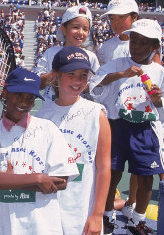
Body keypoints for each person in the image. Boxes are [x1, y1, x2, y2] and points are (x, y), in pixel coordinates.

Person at [89, 19, 164, 235]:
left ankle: (137, 221)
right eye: (133, 41)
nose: (136, 47)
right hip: (116, 126)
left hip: (145, 130)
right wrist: (121, 74)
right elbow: (95, 86)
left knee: (145, 177)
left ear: (154, 47)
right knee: (112, 174)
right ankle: (107, 217)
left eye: (144, 43)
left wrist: (157, 100)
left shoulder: (159, 72)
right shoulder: (117, 64)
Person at [0, 67, 79, 234]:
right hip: (0, 227)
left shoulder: (48, 129)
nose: (23, 103)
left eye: (30, 98)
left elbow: (61, 182)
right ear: (5, 94)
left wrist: (8, 181)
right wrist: (38, 178)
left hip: (42, 227)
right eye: (18, 95)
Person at [37, 46, 111, 235]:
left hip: (82, 214)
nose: (78, 81)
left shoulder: (97, 114)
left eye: (83, 75)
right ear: (56, 75)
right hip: (47, 212)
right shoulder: (43, 116)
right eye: (71, 74)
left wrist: (97, 214)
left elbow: (103, 167)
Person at [35, 5, 100, 102]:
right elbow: (38, 83)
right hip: (51, 107)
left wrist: (78, 81)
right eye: (75, 27)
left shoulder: (91, 57)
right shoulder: (50, 52)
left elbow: (97, 87)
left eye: (85, 29)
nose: (80, 32)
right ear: (64, 29)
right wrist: (56, 75)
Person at [97, 0, 139, 66]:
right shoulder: (106, 47)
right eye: (112, 18)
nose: (116, 22)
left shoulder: (144, 46)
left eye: (121, 17)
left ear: (134, 17)